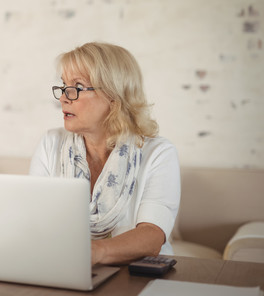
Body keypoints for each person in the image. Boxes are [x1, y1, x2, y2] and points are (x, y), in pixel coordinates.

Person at [29, 41, 180, 265]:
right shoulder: (51, 144)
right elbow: (33, 220)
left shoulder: (158, 153)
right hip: (64, 269)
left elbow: (151, 236)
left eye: (77, 87)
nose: (63, 97)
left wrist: (93, 253)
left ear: (114, 96)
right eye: (63, 86)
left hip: (136, 277)